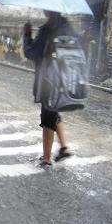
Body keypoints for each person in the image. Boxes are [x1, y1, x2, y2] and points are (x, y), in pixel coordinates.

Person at [23, 10, 74, 167]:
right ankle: (64, 147)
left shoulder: (47, 29)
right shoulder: (67, 26)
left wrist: (27, 35)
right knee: (54, 111)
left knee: (47, 117)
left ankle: (46, 159)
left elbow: (32, 53)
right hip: (66, 77)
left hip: (49, 80)